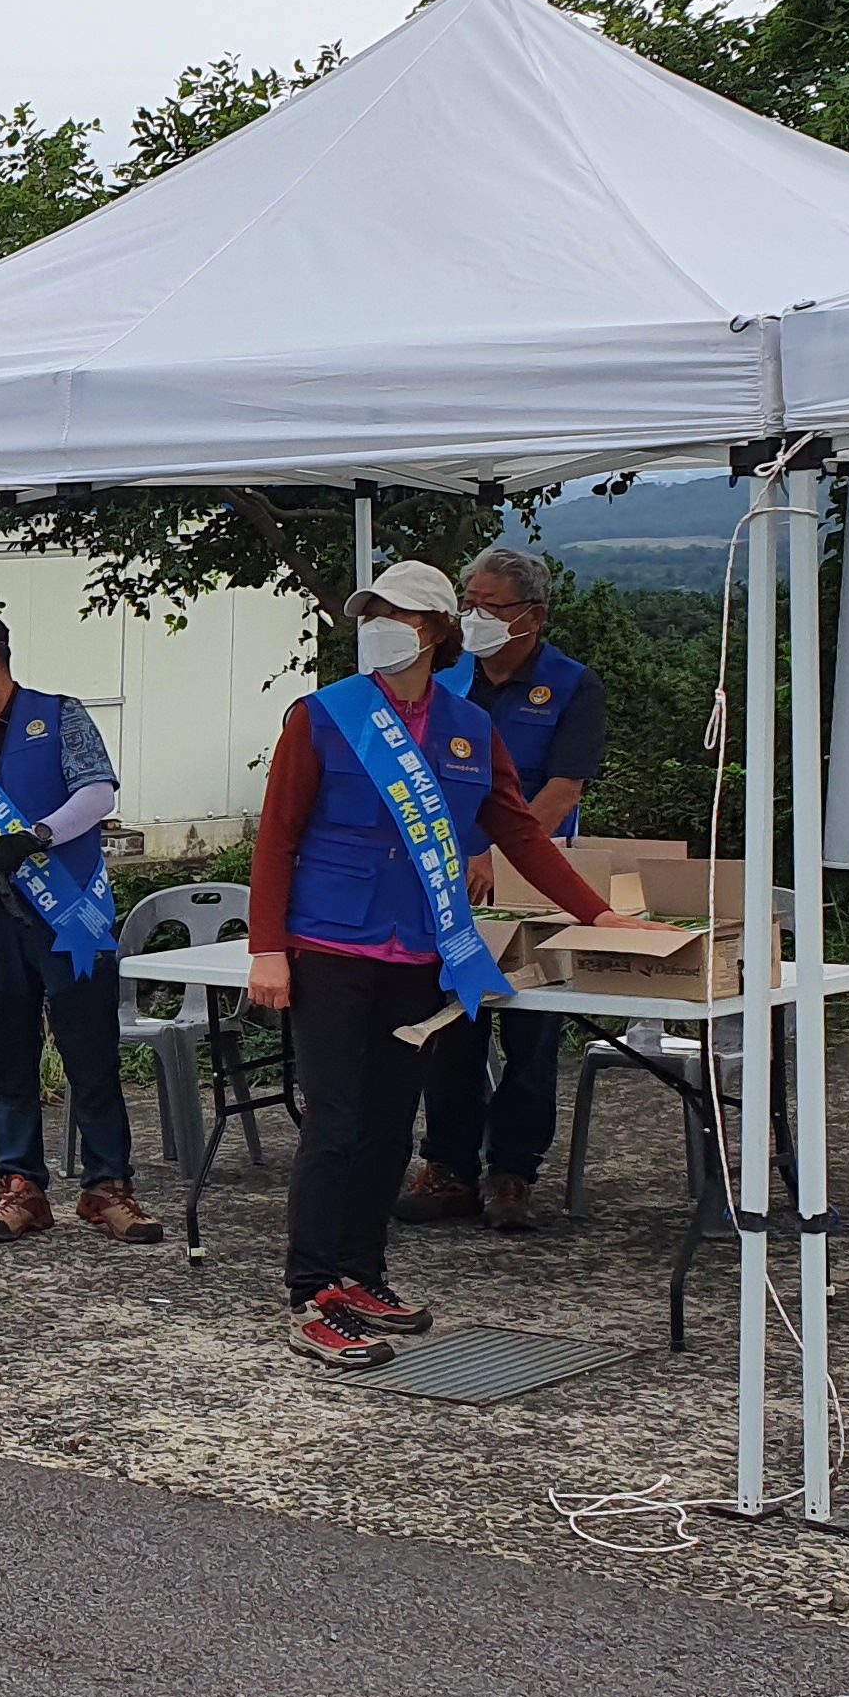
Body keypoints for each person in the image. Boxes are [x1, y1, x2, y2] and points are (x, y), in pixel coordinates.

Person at [244, 563, 618, 1369]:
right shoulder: (322, 717)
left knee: (388, 1124)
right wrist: (266, 947)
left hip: (420, 952)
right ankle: (312, 1291)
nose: (382, 624)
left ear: (440, 630)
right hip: (330, 946)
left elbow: (518, 832)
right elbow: (275, 838)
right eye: (372, 611)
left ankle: (362, 1272)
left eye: (401, 614)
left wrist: (599, 914)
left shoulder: (468, 726)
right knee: (334, 1122)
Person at [0, 602, 160, 1247]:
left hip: (70, 916)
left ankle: (109, 1188)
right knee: (10, 1059)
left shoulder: (59, 715)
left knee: (92, 1055)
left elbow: (99, 792)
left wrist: (40, 834)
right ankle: (20, 1186)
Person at [400, 546, 609, 1234]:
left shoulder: (571, 685)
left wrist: (499, 851)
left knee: (530, 1031)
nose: (476, 615)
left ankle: (513, 1171)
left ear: (533, 616)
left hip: (533, 880)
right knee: (451, 1028)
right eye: (470, 602)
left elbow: (563, 787)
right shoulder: (446, 679)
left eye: (491, 605)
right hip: (446, 879)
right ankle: (449, 1166)